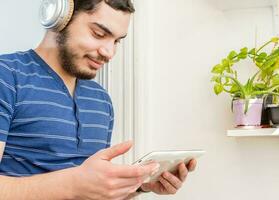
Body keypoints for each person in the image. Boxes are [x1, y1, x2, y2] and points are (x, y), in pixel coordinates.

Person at [0, 0, 197, 199]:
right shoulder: (6, 76)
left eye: (116, 41)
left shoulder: (101, 100)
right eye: (99, 34)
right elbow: (78, 186)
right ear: (59, 17)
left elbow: (92, 192)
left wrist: (139, 185)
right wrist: (73, 184)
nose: (109, 52)